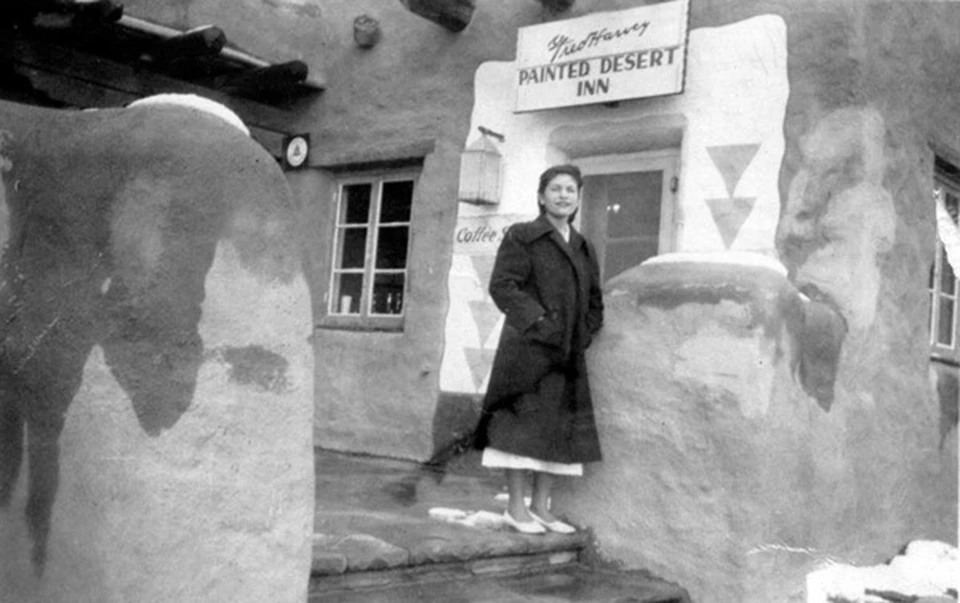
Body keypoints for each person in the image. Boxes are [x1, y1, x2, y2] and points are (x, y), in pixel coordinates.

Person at [475, 164, 604, 535]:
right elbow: (503, 286)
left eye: (571, 190)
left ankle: (542, 508)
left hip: (566, 356)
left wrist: (585, 332)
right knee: (519, 429)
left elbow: (595, 300)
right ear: (541, 196)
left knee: (556, 431)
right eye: (556, 189)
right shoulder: (523, 236)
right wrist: (540, 324)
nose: (564, 195)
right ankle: (515, 509)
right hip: (527, 351)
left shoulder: (583, 246)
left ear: (578, 199)